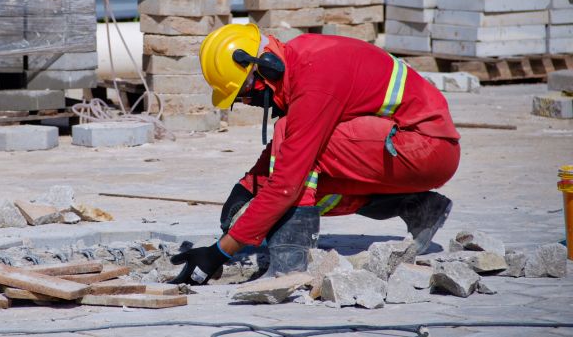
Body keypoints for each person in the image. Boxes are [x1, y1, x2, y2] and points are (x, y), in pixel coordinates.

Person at [169, 23, 461, 285]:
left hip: (425, 147)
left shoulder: (315, 79)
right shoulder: (299, 59)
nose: (248, 102)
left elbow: (286, 181)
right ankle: (417, 207)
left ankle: (290, 265)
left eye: (245, 93)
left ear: (264, 68)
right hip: (405, 150)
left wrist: (219, 253)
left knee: (294, 172)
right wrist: (247, 187)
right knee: (311, 182)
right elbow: (298, 137)